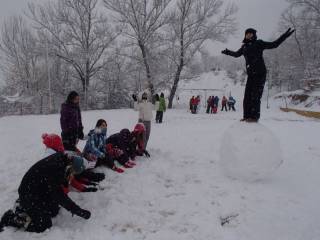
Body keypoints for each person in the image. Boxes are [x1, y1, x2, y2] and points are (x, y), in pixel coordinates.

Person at [0, 153, 90, 233]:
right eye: (73, 173)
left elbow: (57, 186)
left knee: (53, 210)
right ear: (70, 167)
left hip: (37, 190)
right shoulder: (56, 169)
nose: (72, 175)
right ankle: (12, 218)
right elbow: (59, 196)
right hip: (29, 193)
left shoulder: (61, 159)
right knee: (44, 224)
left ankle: (25, 206)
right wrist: (78, 211)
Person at [222, 28, 295, 122]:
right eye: (247, 34)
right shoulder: (244, 47)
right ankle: (247, 116)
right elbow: (236, 54)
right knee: (247, 96)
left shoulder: (259, 43)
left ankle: (254, 117)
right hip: (251, 75)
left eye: (250, 34)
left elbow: (274, 44)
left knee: (255, 96)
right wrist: (227, 52)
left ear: (254, 35)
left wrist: (284, 36)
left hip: (260, 73)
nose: (248, 35)